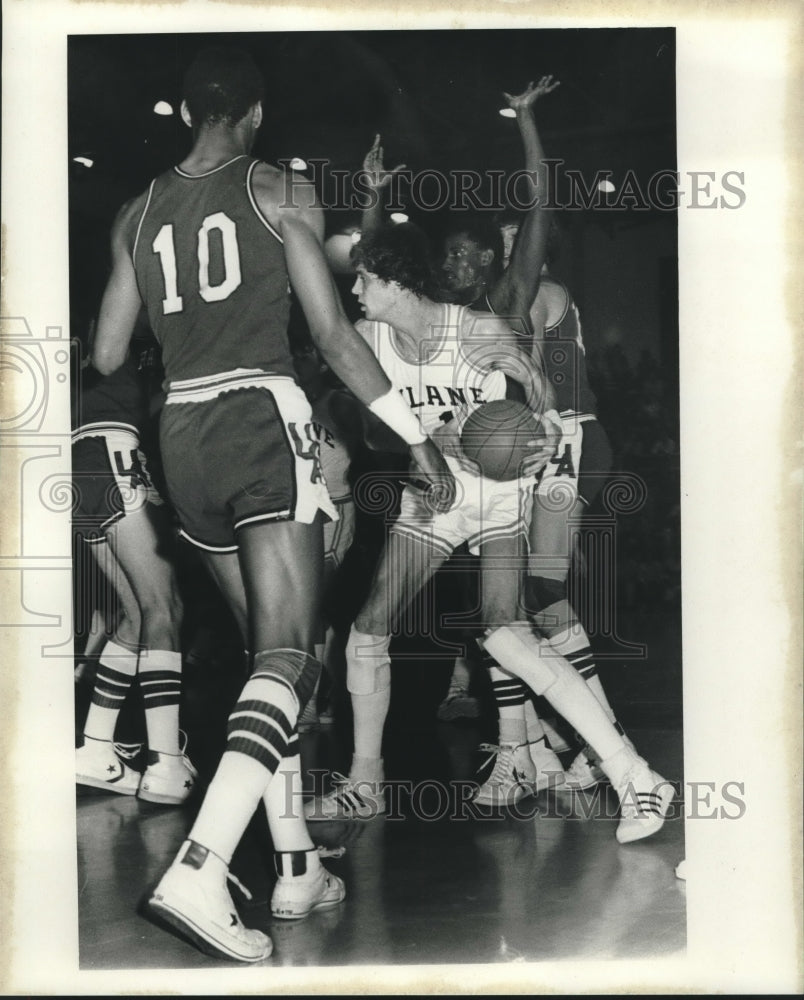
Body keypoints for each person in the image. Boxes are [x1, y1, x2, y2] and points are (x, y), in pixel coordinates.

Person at [91, 45, 454, 963]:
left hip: (179, 436)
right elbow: (332, 334)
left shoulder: (136, 213)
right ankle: (202, 867)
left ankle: (295, 865)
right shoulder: (278, 187)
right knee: (289, 656)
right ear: (254, 115)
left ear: (185, 112)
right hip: (258, 414)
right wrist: (412, 438)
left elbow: (104, 356)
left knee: (265, 660)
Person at [304, 224, 674, 847]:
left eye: (365, 279)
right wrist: (432, 437)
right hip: (430, 496)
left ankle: (633, 773)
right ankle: (365, 779)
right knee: (370, 627)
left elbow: (542, 392)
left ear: (395, 283)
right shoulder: (367, 339)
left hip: (496, 491)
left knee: (505, 632)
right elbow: (371, 436)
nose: (356, 291)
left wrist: (546, 437)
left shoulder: (474, 331)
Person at [72, 333, 194, 805]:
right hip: (110, 447)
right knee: (165, 607)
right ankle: (166, 763)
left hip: (81, 460)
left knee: (138, 615)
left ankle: (97, 750)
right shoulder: (124, 318)